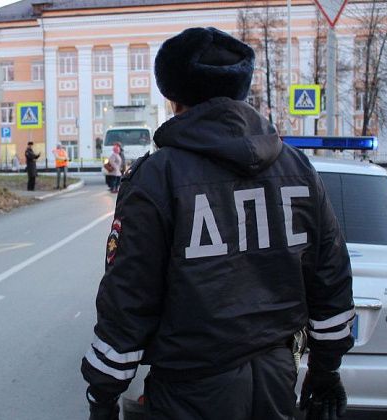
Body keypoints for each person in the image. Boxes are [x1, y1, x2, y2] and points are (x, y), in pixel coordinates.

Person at [81, 27, 354, 420]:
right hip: (277, 381)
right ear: (241, 89)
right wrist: (326, 371)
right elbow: (330, 277)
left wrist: (103, 395)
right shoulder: (297, 169)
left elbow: (129, 296)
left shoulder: (158, 176)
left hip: (188, 392)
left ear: (172, 96)